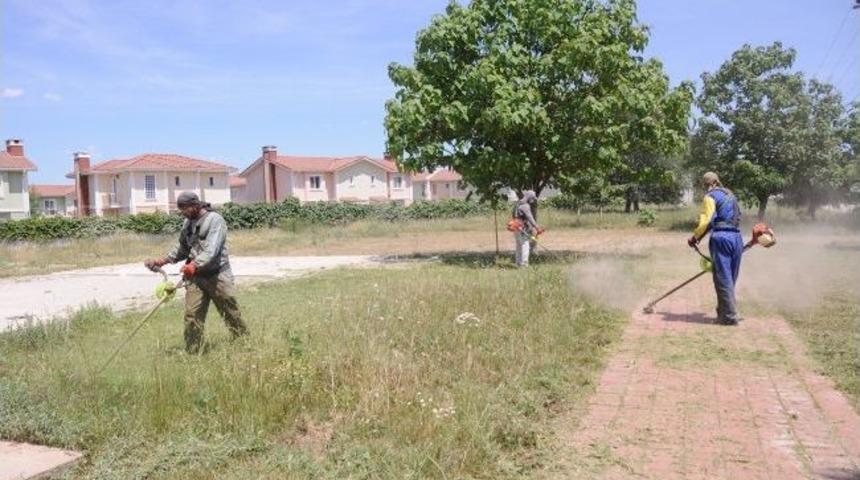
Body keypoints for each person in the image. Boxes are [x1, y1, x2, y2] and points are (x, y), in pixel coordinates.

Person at [144, 191, 248, 353]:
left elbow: (212, 249)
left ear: (195, 205)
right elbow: (183, 248)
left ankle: (244, 342)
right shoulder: (187, 223)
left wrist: (194, 265)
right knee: (192, 316)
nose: (183, 213)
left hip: (217, 275)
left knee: (230, 312)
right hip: (196, 278)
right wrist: (163, 260)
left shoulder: (215, 220)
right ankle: (193, 351)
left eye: (185, 209)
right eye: (181, 210)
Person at [688, 172, 743, 325]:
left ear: (706, 185)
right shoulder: (731, 195)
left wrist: (695, 238)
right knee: (731, 277)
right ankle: (725, 312)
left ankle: (729, 317)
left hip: (721, 238)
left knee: (722, 277)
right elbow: (738, 216)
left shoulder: (710, 197)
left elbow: (707, 221)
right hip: (737, 237)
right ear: (717, 181)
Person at [512, 190, 541, 267]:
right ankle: (524, 264)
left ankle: (518, 263)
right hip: (522, 229)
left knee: (518, 246)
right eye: (532, 198)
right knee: (525, 246)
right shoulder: (525, 206)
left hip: (515, 228)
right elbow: (530, 217)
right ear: (529, 197)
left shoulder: (517, 203)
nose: (533, 200)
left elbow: (514, 216)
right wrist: (537, 227)